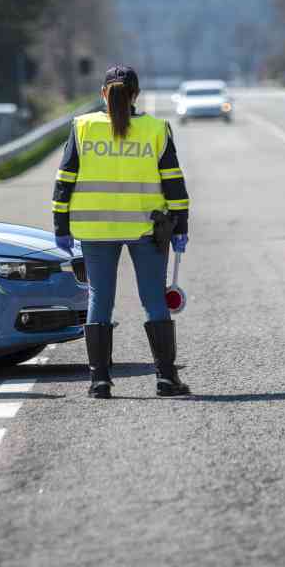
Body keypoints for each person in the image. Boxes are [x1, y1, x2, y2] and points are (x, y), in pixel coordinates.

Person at [52, 65, 192, 399]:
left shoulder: (82, 127)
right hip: (146, 228)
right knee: (154, 300)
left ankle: (99, 382)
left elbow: (65, 180)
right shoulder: (156, 129)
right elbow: (173, 181)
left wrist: (60, 225)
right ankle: (166, 379)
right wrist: (181, 225)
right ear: (136, 95)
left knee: (99, 300)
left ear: (103, 93)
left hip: (94, 229)